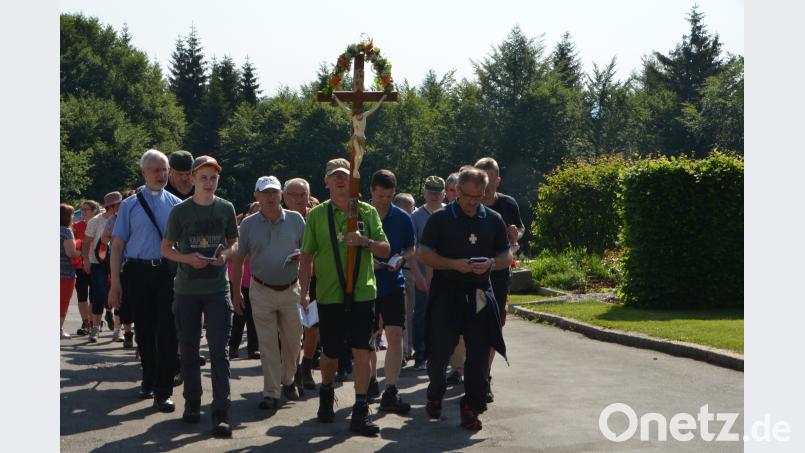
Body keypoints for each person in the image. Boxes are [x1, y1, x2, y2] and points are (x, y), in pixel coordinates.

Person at [298, 158, 390, 436]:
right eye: (334, 177)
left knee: (363, 349)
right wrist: (303, 291)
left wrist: (365, 242)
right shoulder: (316, 215)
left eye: (345, 177)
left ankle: (360, 409)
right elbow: (306, 257)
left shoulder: (367, 212)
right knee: (331, 352)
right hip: (329, 294)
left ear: (353, 182)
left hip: (362, 292)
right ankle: (326, 394)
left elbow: (385, 249)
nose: (340, 181)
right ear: (326, 182)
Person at [418, 167, 511, 430]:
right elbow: (424, 254)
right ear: (457, 191)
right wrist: (452, 264)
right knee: (439, 352)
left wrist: (491, 263)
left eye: (478, 196)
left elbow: (505, 256)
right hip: (447, 292)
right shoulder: (440, 219)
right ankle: (435, 392)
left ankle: (471, 406)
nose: (472, 202)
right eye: (468, 196)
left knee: (479, 354)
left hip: (480, 292)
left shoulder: (493, 220)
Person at [161, 155, 238, 436]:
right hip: (187, 290)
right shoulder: (180, 212)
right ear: (192, 179)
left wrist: (225, 255)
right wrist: (187, 258)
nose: (208, 183)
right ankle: (192, 402)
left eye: (213, 178)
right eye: (203, 177)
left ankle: (221, 411)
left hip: (218, 290)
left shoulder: (226, 208)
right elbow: (165, 249)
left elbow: (235, 242)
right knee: (190, 351)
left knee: (220, 353)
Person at [108, 149, 181, 413]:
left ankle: (164, 391)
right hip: (137, 274)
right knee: (144, 330)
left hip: (166, 274)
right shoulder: (129, 205)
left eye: (164, 170)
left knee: (168, 330)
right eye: (155, 170)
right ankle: (149, 378)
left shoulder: (175, 204)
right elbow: (117, 247)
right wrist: (115, 283)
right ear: (143, 173)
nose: (161, 175)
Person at [231, 176, 305, 411]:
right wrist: (235, 292)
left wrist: (307, 289)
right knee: (268, 344)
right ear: (257, 196)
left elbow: (309, 253)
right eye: (265, 193)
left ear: (281, 194)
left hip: (291, 288)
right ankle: (271, 391)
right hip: (261, 289)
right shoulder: (249, 225)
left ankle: (289, 379)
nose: (271, 197)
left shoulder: (296, 220)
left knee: (294, 341)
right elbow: (239, 260)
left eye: (274, 192)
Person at [366, 170, 419, 414]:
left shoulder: (402, 218)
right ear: (371, 192)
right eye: (380, 196)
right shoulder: (360, 216)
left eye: (389, 196)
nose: (384, 200)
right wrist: (370, 261)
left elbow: (411, 248)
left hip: (393, 282)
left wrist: (401, 259)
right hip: (365, 285)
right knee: (368, 339)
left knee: (395, 335)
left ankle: (391, 388)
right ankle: (367, 382)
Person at [475, 157, 524, 403]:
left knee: (493, 326)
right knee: (471, 327)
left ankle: (484, 376)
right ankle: (470, 370)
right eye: (480, 179)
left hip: (499, 275)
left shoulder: (508, 204)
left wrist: (516, 233)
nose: (484, 186)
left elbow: (519, 231)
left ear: (497, 180)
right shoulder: (467, 204)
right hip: (469, 274)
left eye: (489, 180)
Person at [282, 178, 318, 391]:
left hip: (315, 279)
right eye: (292, 194)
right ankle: (293, 370)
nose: (297, 199)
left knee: (312, 327)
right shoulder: (279, 217)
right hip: (287, 280)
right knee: (291, 330)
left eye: (302, 194)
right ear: (284, 197)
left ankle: (307, 365)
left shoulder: (316, 215)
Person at [409, 176, 446, 370]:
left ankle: (443, 354)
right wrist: (418, 276)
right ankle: (421, 355)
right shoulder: (415, 216)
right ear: (424, 193)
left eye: (437, 191)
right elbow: (413, 249)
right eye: (430, 191)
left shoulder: (450, 213)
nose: (433, 195)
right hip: (423, 275)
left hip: (448, 274)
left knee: (445, 315)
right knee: (421, 314)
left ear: (444, 193)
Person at [82, 192, 123, 343]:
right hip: (97, 262)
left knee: (119, 293)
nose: (122, 205)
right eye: (119, 203)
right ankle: (95, 328)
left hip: (118, 261)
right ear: (112, 206)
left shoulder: (123, 218)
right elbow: (86, 242)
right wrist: (86, 260)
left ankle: (118, 330)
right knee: (99, 293)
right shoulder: (96, 221)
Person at [228, 202, 260, 360]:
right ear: (247, 213)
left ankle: (253, 349)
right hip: (242, 280)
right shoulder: (240, 231)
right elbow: (239, 257)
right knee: (239, 316)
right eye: (255, 211)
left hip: (258, 281)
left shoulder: (265, 229)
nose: (258, 213)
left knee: (254, 318)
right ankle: (233, 347)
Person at [392, 192, 417, 362]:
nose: (409, 214)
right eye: (405, 210)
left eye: (411, 210)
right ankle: (403, 351)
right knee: (401, 314)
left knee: (410, 312)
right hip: (394, 273)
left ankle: (408, 348)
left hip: (411, 272)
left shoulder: (411, 222)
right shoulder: (392, 221)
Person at [73, 200, 100, 335]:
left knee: (94, 295)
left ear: (95, 210)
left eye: (86, 209)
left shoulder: (99, 224)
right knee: (81, 295)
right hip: (80, 265)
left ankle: (93, 320)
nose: (83, 212)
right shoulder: (76, 226)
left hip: (96, 264)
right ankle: (86, 322)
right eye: (82, 209)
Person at [61, 204, 82, 339]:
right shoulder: (66, 231)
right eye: (72, 214)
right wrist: (83, 251)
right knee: (62, 301)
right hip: (64, 272)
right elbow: (71, 253)